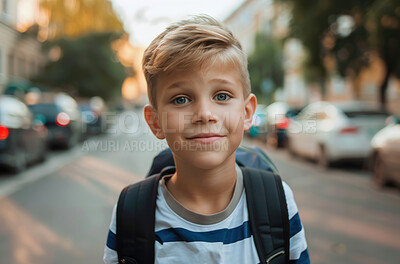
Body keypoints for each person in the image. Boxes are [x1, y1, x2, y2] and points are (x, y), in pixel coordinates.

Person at [104, 15, 310, 263]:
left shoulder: (277, 202)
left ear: (247, 113)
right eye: (181, 99)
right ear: (156, 122)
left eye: (222, 96)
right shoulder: (132, 215)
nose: (204, 114)